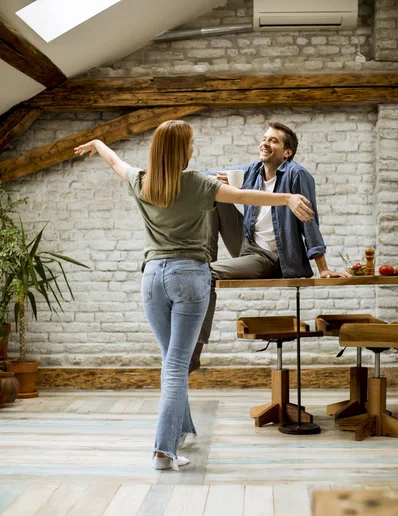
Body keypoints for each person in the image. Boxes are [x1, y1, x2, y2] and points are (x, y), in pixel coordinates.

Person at [74, 120, 314, 471]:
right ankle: (163, 451)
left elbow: (115, 162)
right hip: (189, 277)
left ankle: (182, 430)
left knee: (170, 359)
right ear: (181, 151)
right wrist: (288, 197)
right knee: (175, 367)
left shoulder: (142, 181)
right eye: (190, 144)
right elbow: (245, 197)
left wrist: (98, 142)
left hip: (152, 277)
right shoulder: (198, 183)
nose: (193, 149)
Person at [190, 121, 349, 372]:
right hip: (247, 246)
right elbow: (204, 175)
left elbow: (310, 220)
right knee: (214, 191)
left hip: (273, 258)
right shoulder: (252, 171)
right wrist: (196, 175)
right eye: (264, 138)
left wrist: (323, 267)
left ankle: (193, 350)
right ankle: (204, 259)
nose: (265, 143)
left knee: (203, 274)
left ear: (287, 152)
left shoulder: (297, 175)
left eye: (274, 140)